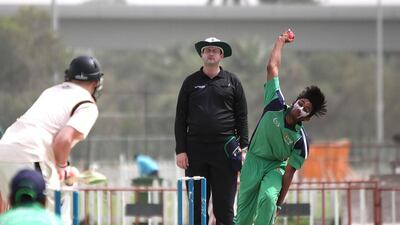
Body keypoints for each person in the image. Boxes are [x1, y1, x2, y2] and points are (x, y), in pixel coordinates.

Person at [234, 29, 327, 225]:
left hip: (275, 167)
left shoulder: (300, 140)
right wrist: (280, 41)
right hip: (252, 161)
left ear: (307, 118)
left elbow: (289, 174)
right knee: (243, 219)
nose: (301, 108)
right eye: (301, 102)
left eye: (306, 109)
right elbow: (272, 67)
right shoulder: (275, 102)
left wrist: (279, 204)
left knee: (268, 199)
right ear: (296, 101)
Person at [0, 56, 104, 221]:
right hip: (31, 154)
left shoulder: (51, 91)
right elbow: (63, 140)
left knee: (14, 217)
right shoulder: (87, 104)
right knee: (50, 218)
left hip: (4, 149)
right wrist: (62, 167)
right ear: (96, 83)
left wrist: (60, 166)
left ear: (69, 76)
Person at [175, 37, 249, 225]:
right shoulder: (190, 82)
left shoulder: (232, 81)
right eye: (207, 50)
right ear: (201, 54)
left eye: (215, 50)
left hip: (225, 150)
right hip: (195, 151)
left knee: (224, 208)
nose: (210, 53)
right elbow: (180, 119)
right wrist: (180, 150)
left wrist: (244, 147)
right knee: (196, 207)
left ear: (221, 55)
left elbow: (242, 117)